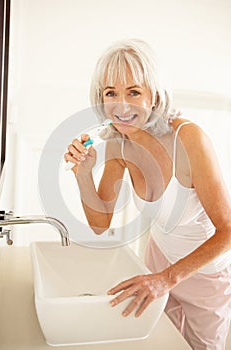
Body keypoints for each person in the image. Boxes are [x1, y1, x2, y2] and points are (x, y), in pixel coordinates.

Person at [64, 39, 231, 349]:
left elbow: (228, 231)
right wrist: (83, 174)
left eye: (134, 92)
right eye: (111, 93)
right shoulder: (118, 144)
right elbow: (100, 223)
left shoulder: (189, 138)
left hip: (205, 274)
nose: (121, 106)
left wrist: (167, 279)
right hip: (158, 260)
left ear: (154, 95)